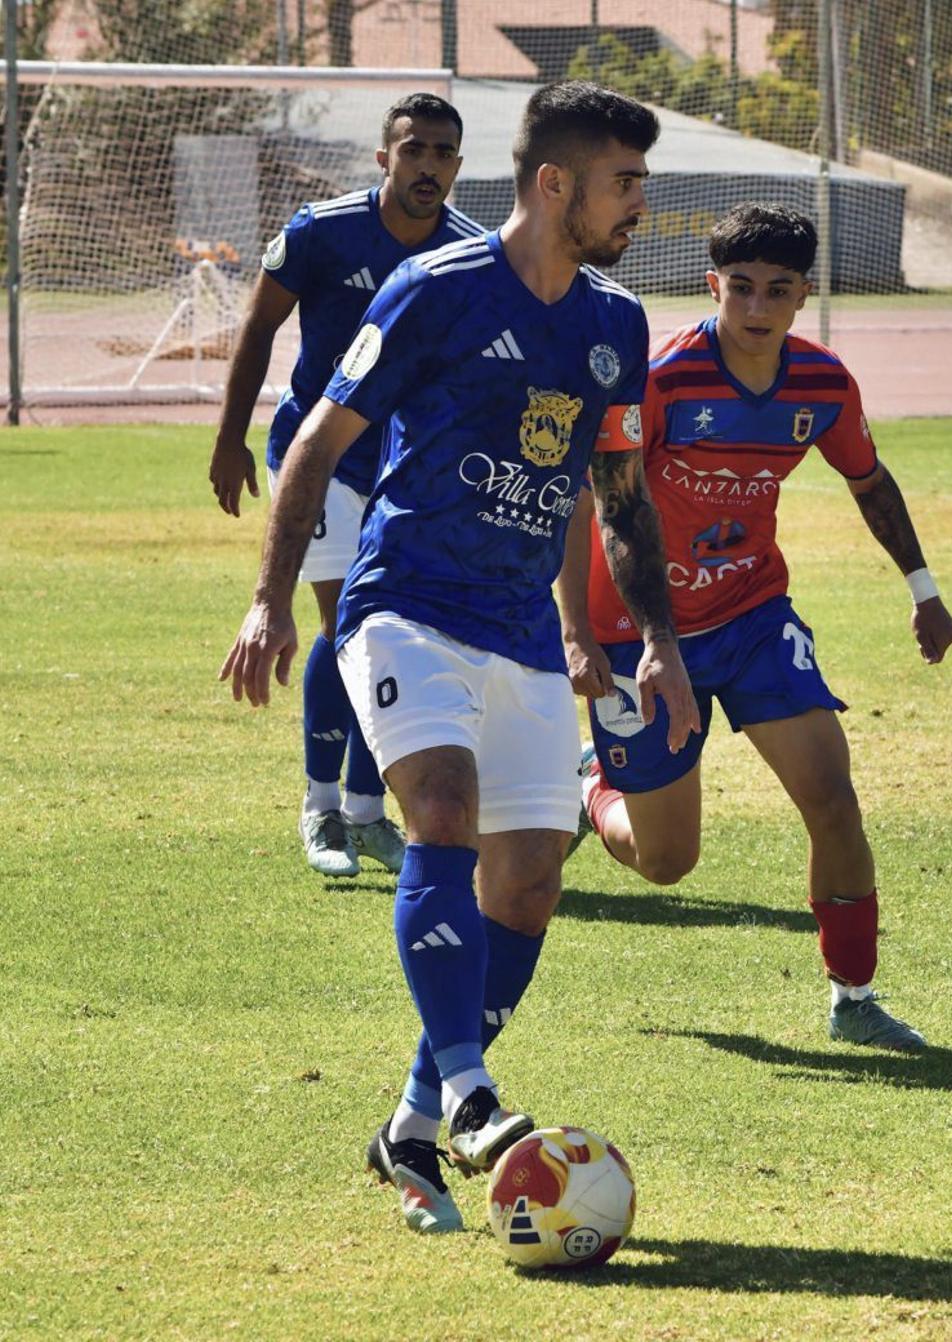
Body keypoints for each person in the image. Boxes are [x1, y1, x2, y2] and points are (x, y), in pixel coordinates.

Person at [220, 81, 699, 1235]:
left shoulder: (614, 324)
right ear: (555, 183)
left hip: (525, 633)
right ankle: (476, 1094)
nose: (640, 201)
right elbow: (318, 445)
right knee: (439, 809)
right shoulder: (434, 288)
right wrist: (271, 601)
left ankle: (414, 1117)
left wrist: (660, 643)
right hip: (406, 603)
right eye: (623, 182)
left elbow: (622, 496)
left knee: (528, 880)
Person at [561, 202, 952, 1053]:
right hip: (636, 629)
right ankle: (589, 786)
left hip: (751, 613)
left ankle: (854, 998)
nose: (755, 308)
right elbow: (589, 501)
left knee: (832, 795)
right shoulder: (661, 377)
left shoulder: (822, 383)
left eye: (776, 291)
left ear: (802, 296)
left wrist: (924, 589)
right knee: (668, 862)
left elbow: (870, 481)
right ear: (714, 286)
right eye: (739, 288)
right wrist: (575, 632)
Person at [209, 92, 484, 879]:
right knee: (350, 625)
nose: (428, 165)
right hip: (317, 458)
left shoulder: (466, 255)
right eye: (414, 149)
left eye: (442, 153)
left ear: (459, 167)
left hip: (404, 470)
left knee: (385, 630)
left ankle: (367, 812)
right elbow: (259, 327)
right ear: (384, 157)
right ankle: (322, 807)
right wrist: (230, 439)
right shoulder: (320, 232)